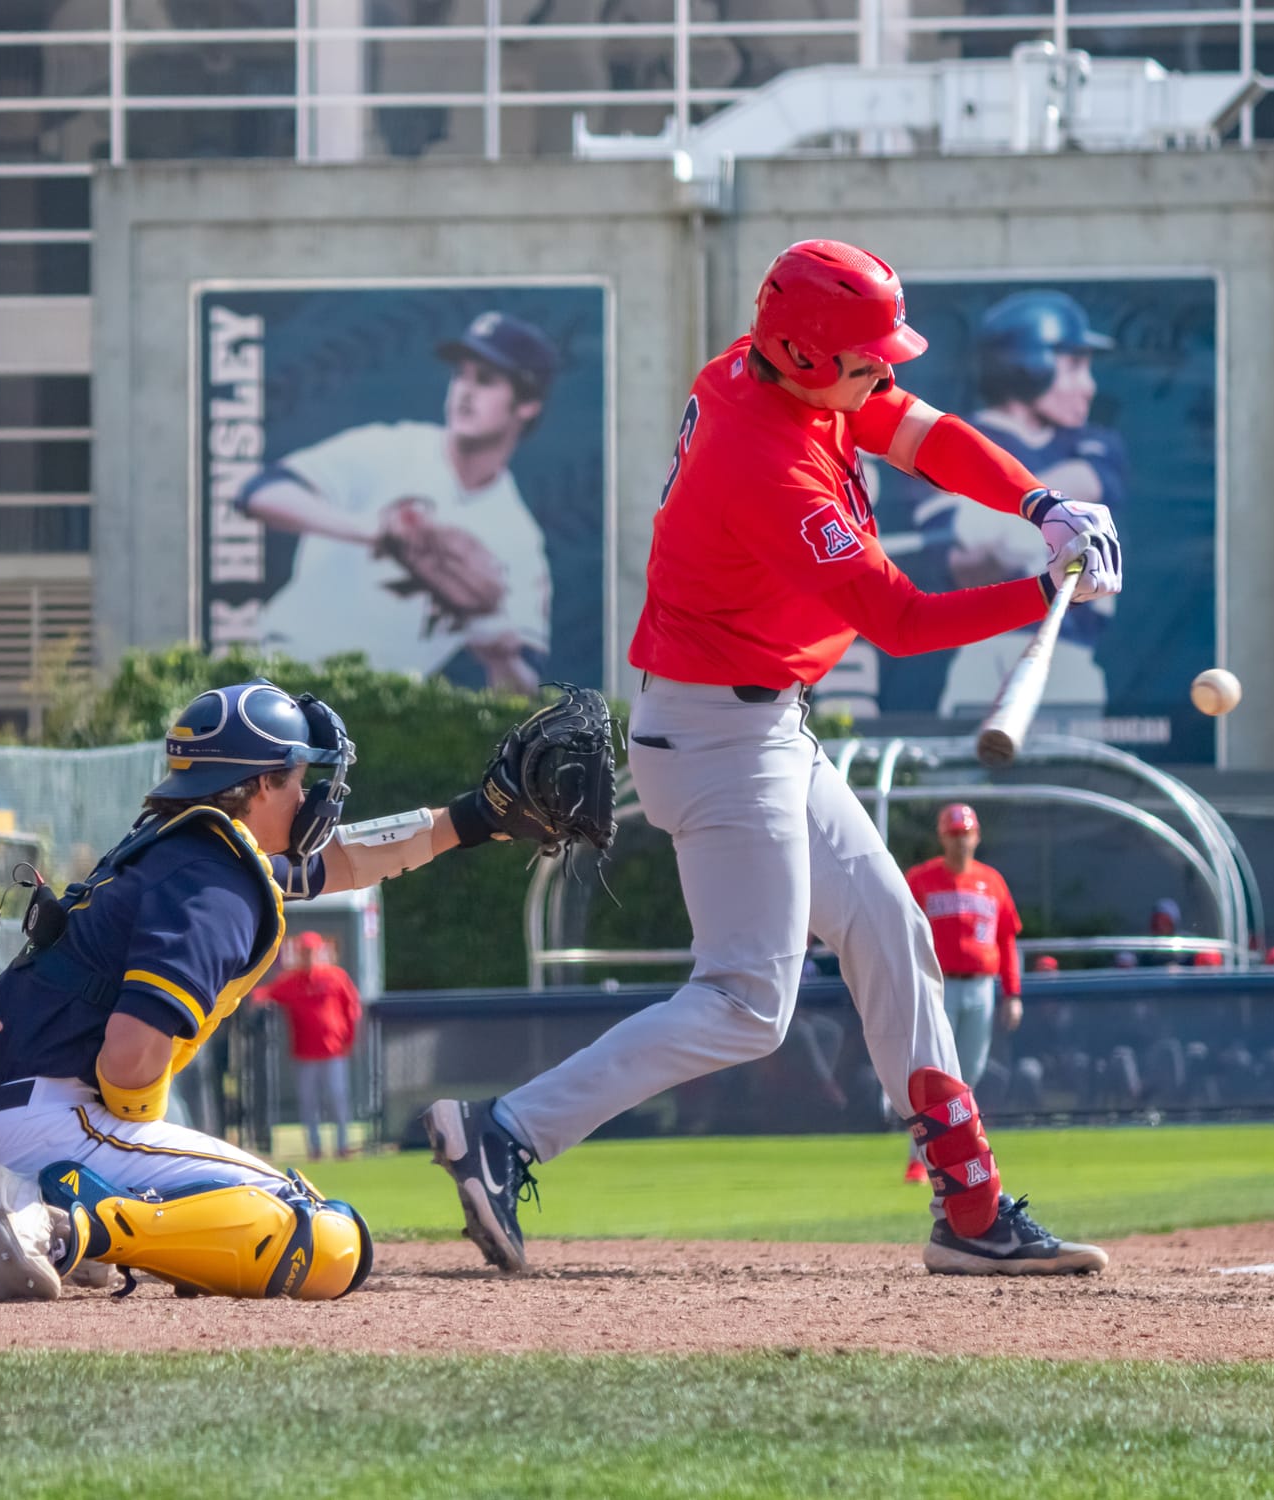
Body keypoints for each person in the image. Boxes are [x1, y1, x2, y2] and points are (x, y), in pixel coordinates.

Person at [425, 240, 1120, 1279]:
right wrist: (1042, 591)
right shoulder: (767, 463)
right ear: (799, 353)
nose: (882, 376)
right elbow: (897, 618)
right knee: (747, 1004)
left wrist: (1036, 507)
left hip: (760, 725)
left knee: (891, 929)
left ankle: (969, 1210)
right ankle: (505, 1130)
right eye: (863, 361)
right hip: (716, 739)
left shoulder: (780, 372)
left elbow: (918, 432)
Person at [0, 678, 605, 1301]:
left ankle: (71, 1207)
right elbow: (128, 1061)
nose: (310, 793)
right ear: (261, 783)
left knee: (236, 1212)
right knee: (327, 1239)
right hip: (21, 1124)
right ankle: (67, 1221)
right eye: (299, 776)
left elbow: (343, 860)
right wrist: (135, 1129)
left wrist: (472, 819)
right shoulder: (216, 884)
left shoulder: (183, 843)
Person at [241, 311, 557, 691]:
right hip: (283, 668)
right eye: (460, 375)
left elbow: (524, 688)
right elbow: (259, 492)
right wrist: (369, 530)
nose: (464, 391)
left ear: (527, 405)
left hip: (384, 706)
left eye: (486, 380)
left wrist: (500, 657)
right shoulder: (391, 450)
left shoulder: (517, 539)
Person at [894, 291, 1127, 719]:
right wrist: (1000, 534)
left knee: (1067, 782)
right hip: (985, 653)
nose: (1089, 387)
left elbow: (1085, 487)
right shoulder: (953, 443)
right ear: (1026, 365)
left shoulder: (1095, 444)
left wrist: (995, 516)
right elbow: (961, 562)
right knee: (965, 781)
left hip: (1069, 654)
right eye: (1073, 366)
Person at [902, 803, 1022, 1183]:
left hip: (981, 987)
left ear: (977, 836)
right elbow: (902, 934)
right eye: (953, 834)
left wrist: (1013, 992)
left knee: (969, 1074)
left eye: (965, 833)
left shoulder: (993, 881)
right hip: (937, 984)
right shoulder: (921, 879)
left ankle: (959, 1156)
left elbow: (1006, 939)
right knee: (936, 1072)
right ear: (942, 837)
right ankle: (919, 1158)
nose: (960, 841)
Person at [256, 931, 363, 1160]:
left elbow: (352, 1008)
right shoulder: (292, 981)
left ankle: (342, 1145)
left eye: (311, 952)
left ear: (319, 952)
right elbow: (264, 994)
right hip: (304, 1053)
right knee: (309, 1102)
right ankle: (314, 1149)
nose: (308, 956)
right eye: (304, 952)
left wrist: (350, 1039)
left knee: (337, 1098)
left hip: (333, 1050)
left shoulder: (335, 976)